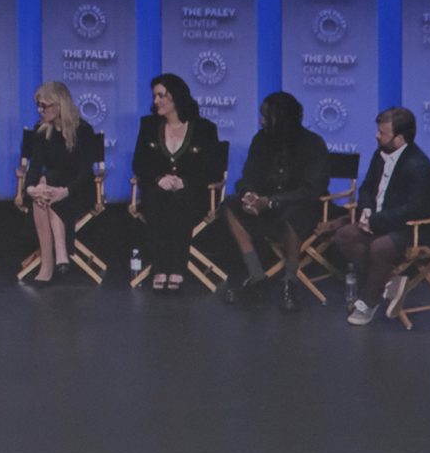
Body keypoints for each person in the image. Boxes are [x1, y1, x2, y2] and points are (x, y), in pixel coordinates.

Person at [218, 91, 329, 311]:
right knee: (229, 205)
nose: (261, 121)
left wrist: (271, 201)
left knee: (293, 214)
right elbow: (248, 175)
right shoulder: (260, 140)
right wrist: (249, 194)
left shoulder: (312, 143)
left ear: (283, 118)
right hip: (263, 206)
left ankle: (290, 282)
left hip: (299, 206)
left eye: (267, 116)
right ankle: (255, 273)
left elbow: (312, 189)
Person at [329, 107, 430, 325]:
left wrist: (376, 221)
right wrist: (366, 210)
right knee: (345, 235)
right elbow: (367, 188)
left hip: (410, 228)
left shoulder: (419, 166)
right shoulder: (379, 156)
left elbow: (414, 209)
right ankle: (388, 283)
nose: (377, 136)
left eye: (382, 133)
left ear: (399, 139)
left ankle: (368, 302)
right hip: (379, 221)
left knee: (380, 247)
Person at [130, 73, 221, 292]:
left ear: (177, 96)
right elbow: (139, 163)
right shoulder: (149, 125)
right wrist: (159, 178)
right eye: (154, 96)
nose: (156, 101)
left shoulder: (205, 129)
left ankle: (177, 268)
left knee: (180, 201)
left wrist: (185, 182)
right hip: (157, 190)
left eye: (162, 95)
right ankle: (160, 267)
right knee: (157, 198)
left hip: (192, 192)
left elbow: (213, 169)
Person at [22, 81, 99, 285]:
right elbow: (35, 166)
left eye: (44, 106)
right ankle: (53, 259)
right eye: (38, 105)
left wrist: (64, 192)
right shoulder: (40, 130)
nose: (39, 110)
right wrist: (30, 189)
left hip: (78, 190)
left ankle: (57, 254)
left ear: (59, 105)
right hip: (51, 189)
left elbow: (84, 173)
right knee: (44, 187)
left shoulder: (83, 131)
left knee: (50, 184)